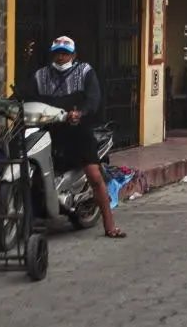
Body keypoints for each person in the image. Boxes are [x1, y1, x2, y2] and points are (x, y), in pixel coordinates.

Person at [24, 36, 125, 238]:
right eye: (57, 53)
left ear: (74, 55)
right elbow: (26, 94)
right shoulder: (41, 75)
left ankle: (110, 226)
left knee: (95, 177)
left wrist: (81, 112)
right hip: (49, 130)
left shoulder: (85, 72)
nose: (61, 57)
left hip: (78, 132)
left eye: (65, 53)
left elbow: (93, 99)